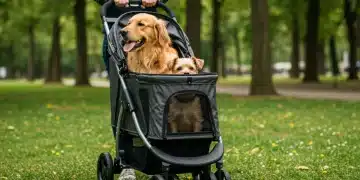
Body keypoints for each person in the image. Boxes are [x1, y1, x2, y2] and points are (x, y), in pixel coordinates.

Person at [94, 1, 159, 179]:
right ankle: (127, 162)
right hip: (116, 32)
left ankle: (161, 157)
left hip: (152, 30)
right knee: (125, 99)